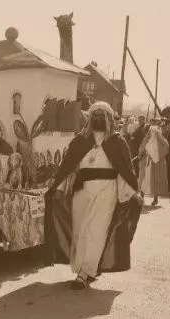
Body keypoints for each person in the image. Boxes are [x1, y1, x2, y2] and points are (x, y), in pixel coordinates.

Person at [44, 101, 143, 290]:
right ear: (90, 118)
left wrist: (130, 193)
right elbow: (69, 168)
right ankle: (88, 268)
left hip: (107, 191)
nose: (98, 119)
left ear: (108, 119)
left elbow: (124, 170)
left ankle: (83, 274)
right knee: (80, 230)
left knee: (95, 231)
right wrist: (59, 188)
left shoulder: (117, 141)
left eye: (102, 116)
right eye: (94, 116)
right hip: (82, 191)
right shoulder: (80, 141)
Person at [139, 125, 169, 206]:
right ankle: (142, 196)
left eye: (150, 132)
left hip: (156, 163)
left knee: (155, 180)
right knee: (144, 179)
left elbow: (166, 148)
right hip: (147, 162)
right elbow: (142, 148)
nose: (148, 133)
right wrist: (141, 153)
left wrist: (158, 157)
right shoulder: (146, 139)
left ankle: (155, 198)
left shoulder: (161, 141)